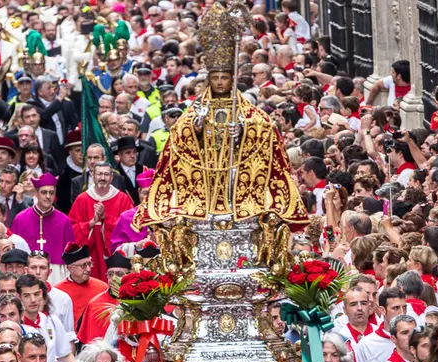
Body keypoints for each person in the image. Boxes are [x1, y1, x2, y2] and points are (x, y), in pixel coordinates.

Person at [132, 2, 308, 230]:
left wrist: (244, 130)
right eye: (215, 78)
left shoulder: (243, 107)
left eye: (224, 78)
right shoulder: (199, 106)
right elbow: (178, 137)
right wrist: (195, 128)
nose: (220, 82)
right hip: (205, 174)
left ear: (231, 78)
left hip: (237, 173)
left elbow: (265, 127)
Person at [69, 162, 134, 282]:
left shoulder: (123, 199)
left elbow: (129, 228)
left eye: (106, 174)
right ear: (92, 175)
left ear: (111, 178)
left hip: (114, 258)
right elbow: (72, 229)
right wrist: (90, 223)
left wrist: (106, 219)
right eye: (99, 174)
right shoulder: (82, 199)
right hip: (91, 255)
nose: (102, 178)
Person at [11, 173, 75, 283]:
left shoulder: (64, 220)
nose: (48, 196)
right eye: (44, 192)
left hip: (55, 272)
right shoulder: (20, 219)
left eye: (51, 192)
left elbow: (71, 254)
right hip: (27, 271)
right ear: (36, 193)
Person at [78, 251, 130, 344]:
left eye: (119, 274)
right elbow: (88, 344)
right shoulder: (95, 304)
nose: (113, 279)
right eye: (110, 274)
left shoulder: (139, 302)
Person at [55, 243, 110, 325]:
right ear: (70, 268)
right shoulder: (58, 291)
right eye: (83, 265)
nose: (88, 269)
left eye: (89, 264)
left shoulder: (103, 287)